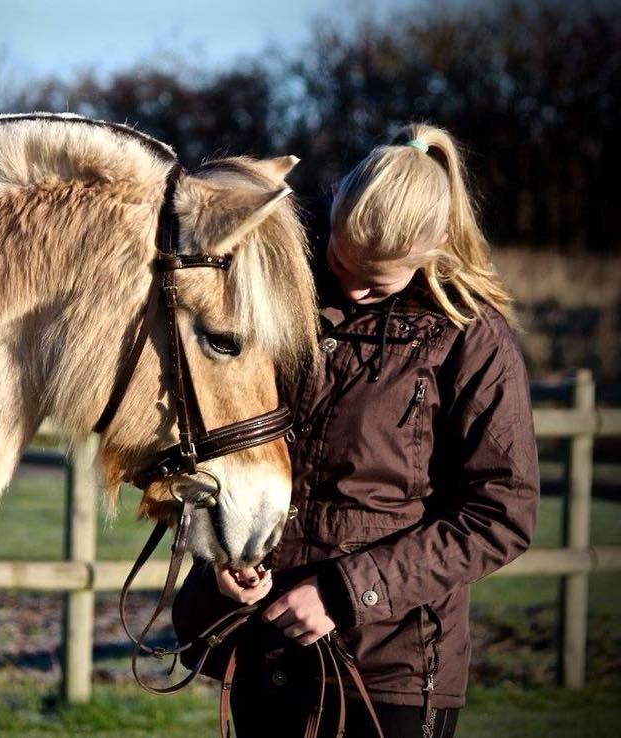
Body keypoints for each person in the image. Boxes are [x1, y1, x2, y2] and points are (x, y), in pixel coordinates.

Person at [172, 123, 541, 738]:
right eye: (344, 260)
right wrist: (224, 562)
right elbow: (229, 445)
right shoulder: (272, 303)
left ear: (438, 244)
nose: (354, 286)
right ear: (337, 195)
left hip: (389, 674)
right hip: (266, 659)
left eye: (381, 278)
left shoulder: (472, 340)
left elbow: (501, 512)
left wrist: (347, 593)